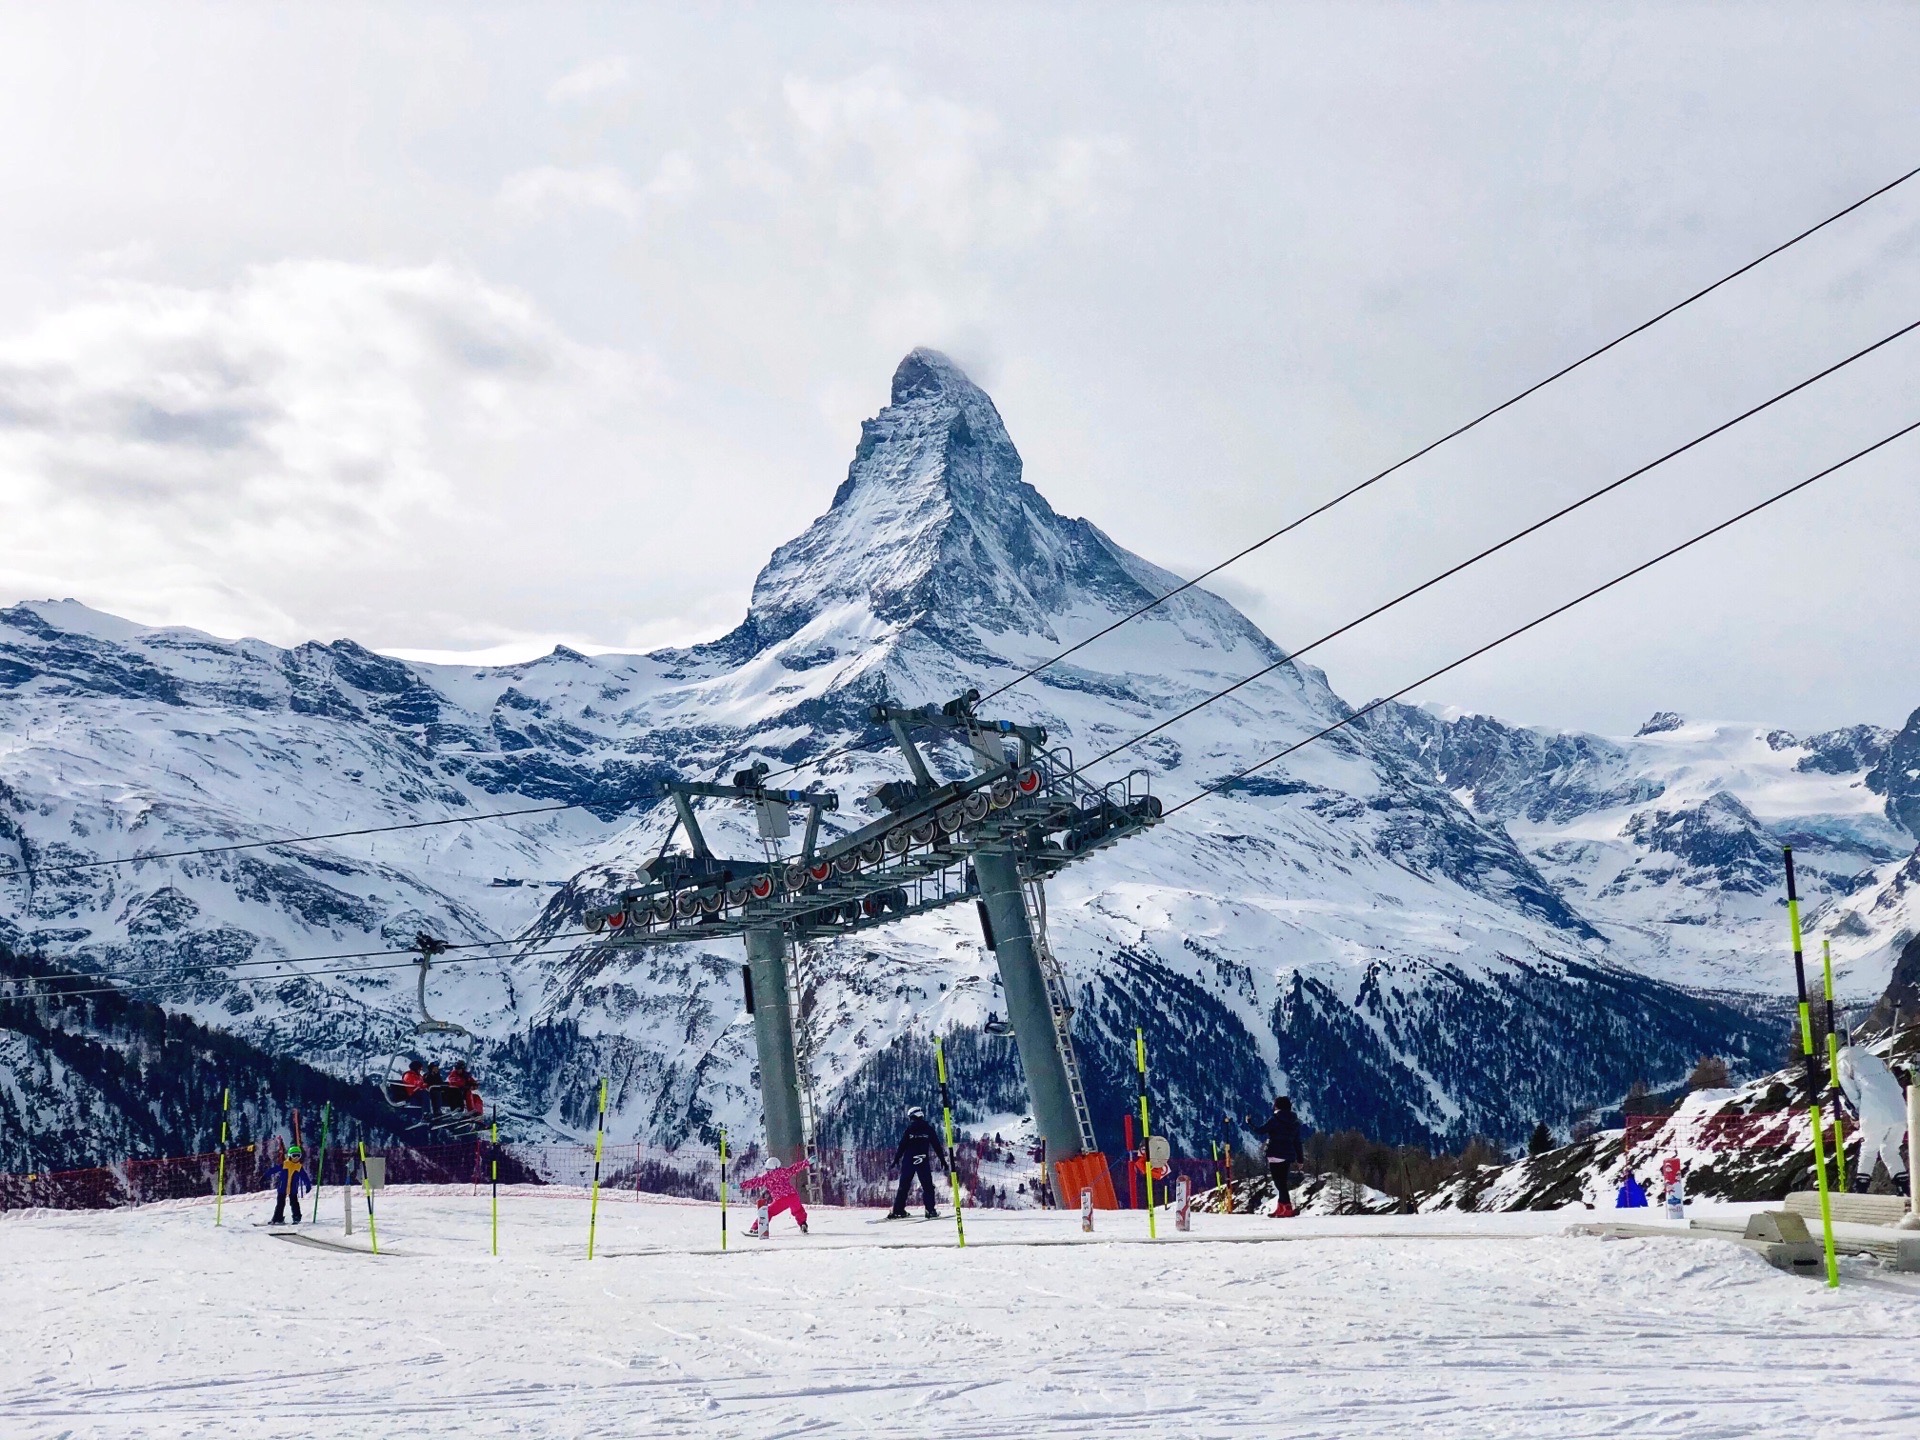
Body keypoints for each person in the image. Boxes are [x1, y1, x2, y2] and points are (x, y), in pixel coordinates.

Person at [1245, 1096, 1304, 1218]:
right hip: (1288, 1154)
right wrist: (1300, 1159)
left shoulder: (1275, 1119)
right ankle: (1281, 1208)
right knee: (1282, 1182)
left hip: (1275, 1153)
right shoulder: (1295, 1122)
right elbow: (1297, 1142)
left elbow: (1260, 1131)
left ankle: (1287, 1208)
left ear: (1277, 1106)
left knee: (1279, 1184)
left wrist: (1249, 1123)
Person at [888, 1105, 945, 1219]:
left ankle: (898, 1210)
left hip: (909, 1160)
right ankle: (930, 1211)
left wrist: (896, 1160)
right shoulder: (928, 1129)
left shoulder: (909, 1129)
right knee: (927, 1186)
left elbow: (902, 1146)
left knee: (903, 1186)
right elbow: (937, 1145)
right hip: (922, 1160)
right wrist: (943, 1160)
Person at [738, 1157, 810, 1235]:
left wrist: (742, 1185)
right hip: (793, 1196)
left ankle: (755, 1229)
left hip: (782, 1199)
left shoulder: (767, 1177)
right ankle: (803, 1224)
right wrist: (806, 1162)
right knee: (798, 1210)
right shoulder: (784, 1172)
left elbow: (755, 1182)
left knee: (769, 1212)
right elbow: (794, 1168)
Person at [269, 1139, 313, 1225]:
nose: (296, 1158)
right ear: (289, 1156)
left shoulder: (299, 1167)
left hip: (293, 1189)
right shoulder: (284, 1165)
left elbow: (305, 1177)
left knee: (294, 1203)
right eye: (294, 1155)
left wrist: (308, 1185)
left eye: (298, 1156)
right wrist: (265, 1176)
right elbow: (273, 1170)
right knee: (280, 1204)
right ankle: (278, 1218)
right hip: (282, 1188)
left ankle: (296, 1217)